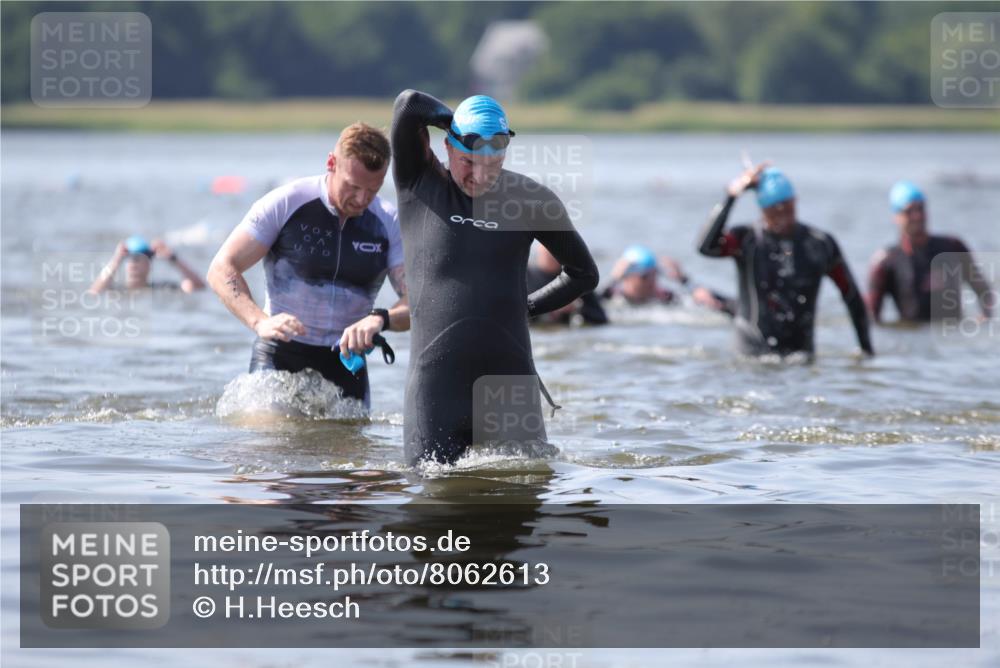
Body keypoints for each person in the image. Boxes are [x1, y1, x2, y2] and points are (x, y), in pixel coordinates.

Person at [391, 90, 599, 465]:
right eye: (469, 161)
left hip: (510, 382)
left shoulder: (532, 200)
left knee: (522, 501)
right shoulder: (420, 183)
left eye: (493, 162)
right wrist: (459, 121)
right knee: (432, 506)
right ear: (448, 146)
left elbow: (583, 275)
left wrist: (526, 307)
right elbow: (408, 105)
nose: (480, 175)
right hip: (437, 388)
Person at [207, 122, 408, 408]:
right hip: (280, 355)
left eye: (373, 190)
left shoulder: (389, 223)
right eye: (353, 187)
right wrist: (259, 322)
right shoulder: (287, 202)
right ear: (331, 163)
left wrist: (380, 319)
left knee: (353, 454)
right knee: (271, 447)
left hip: (347, 365)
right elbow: (221, 268)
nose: (362, 200)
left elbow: (419, 302)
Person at [697, 165, 874, 358]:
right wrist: (731, 196)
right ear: (763, 210)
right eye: (774, 212)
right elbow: (706, 247)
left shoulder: (819, 244)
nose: (782, 217)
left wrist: (866, 351)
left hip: (800, 357)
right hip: (751, 358)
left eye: (788, 209)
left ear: (795, 202)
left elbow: (852, 297)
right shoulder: (746, 239)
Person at [867, 180, 993, 324]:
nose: (917, 216)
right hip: (913, 336)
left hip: (952, 334)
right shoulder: (885, 261)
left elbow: (984, 292)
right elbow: (872, 318)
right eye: (909, 211)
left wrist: (985, 321)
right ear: (896, 216)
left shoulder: (952, 247)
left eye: (920, 209)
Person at [600, 244, 736, 315]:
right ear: (626, 277)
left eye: (656, 274)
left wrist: (685, 281)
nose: (651, 281)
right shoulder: (612, 297)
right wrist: (613, 279)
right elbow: (589, 304)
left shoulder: (666, 298)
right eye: (644, 276)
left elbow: (715, 305)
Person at [88, 235, 205, 294]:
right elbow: (94, 292)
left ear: (149, 264)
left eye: (137, 259)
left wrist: (173, 258)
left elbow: (198, 286)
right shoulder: (118, 292)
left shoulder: (162, 289)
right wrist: (116, 259)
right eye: (129, 259)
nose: (133, 264)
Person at [527, 244, 608, 325]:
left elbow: (601, 318)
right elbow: (519, 314)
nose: (552, 254)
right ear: (539, 248)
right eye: (547, 249)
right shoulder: (525, 276)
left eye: (556, 250)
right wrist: (551, 309)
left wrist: (577, 308)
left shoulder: (576, 278)